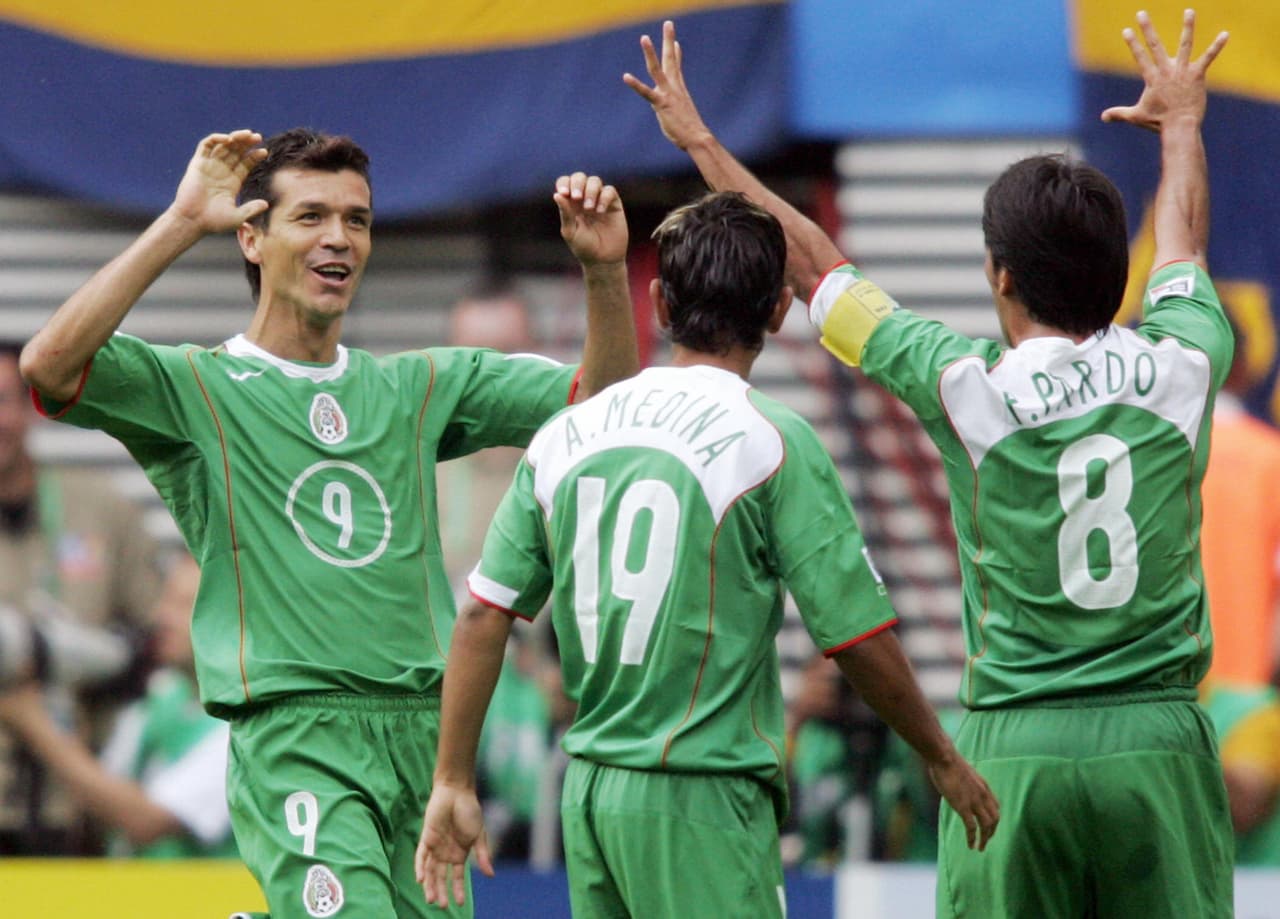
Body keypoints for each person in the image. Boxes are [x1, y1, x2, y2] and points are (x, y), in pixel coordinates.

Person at [625, 10, 1233, 917]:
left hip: (1015, 747)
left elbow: (818, 268)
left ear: (1000, 277)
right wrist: (1182, 125)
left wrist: (702, 141)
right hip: (1158, 742)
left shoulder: (964, 388)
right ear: (1121, 274)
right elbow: (1182, 240)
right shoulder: (1186, 362)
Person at [19, 127, 637, 917]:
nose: (339, 238)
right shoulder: (198, 388)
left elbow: (610, 408)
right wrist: (180, 221)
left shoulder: (420, 385)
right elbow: (48, 366)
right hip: (298, 738)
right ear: (252, 236)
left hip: (425, 740)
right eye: (310, 216)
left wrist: (604, 272)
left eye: (358, 219)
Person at [415, 190, 998, 917]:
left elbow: (482, 613)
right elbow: (855, 635)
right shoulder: (771, 438)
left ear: (659, 304)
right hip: (702, 795)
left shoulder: (568, 432)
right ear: (779, 312)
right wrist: (940, 755)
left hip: (591, 794)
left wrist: (453, 779)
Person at [0, 340, 162, 854]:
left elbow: (163, 642)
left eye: (3, 401)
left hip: (81, 808)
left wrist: (77, 658)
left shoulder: (99, 507)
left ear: (31, 408)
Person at [0, 551, 236, 858]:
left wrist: (36, 726)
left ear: (233, 618)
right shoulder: (161, 696)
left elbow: (145, 821)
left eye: (184, 605)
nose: (161, 617)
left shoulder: (239, 725)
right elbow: (100, 800)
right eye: (165, 599)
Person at [1200, 316, 1280, 686]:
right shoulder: (1271, 459)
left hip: (1165, 694)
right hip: (1251, 694)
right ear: (1246, 369)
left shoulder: (1148, 458)